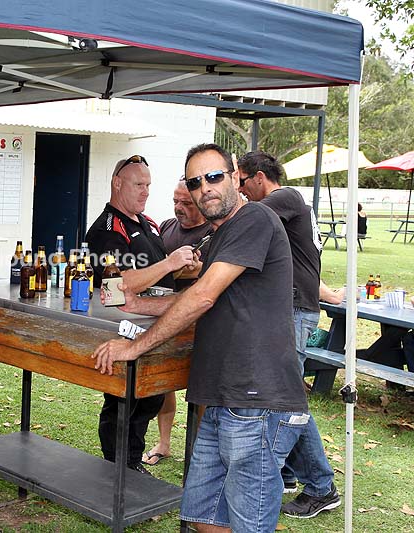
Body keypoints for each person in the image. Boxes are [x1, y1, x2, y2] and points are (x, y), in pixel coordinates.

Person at [93, 143, 309, 533]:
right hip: (222, 397)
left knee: (248, 525)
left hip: (256, 400)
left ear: (236, 177)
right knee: (202, 518)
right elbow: (200, 295)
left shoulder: (255, 218)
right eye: (195, 182)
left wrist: (135, 347)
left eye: (213, 176)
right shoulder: (220, 234)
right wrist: (139, 305)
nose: (204, 188)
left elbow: (204, 295)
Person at [237, 150, 341, 519]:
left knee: (288, 401)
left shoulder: (284, 197)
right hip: (291, 308)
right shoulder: (289, 207)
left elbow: (243, 218)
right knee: (280, 396)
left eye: (241, 181)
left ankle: (321, 486)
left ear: (259, 177)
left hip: (295, 310)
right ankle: (288, 472)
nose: (240, 189)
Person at [84, 155, 196, 474]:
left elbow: (160, 274)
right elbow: (117, 284)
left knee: (151, 395)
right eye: (138, 184)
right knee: (124, 398)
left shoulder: (148, 223)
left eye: (148, 185)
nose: (146, 191)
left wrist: (190, 268)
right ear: (117, 183)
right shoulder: (107, 229)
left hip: (158, 324)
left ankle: (132, 461)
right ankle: (119, 467)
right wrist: (170, 263)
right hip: (125, 327)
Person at [142, 179, 212, 466]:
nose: (179, 208)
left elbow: (211, 276)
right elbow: (158, 269)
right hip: (166, 318)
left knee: (200, 388)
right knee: (164, 383)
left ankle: (199, 453)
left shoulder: (214, 232)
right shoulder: (167, 227)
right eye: (175, 201)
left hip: (200, 322)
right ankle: (164, 443)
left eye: (186, 203)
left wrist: (189, 271)